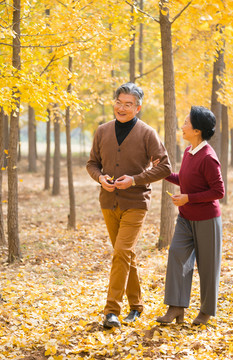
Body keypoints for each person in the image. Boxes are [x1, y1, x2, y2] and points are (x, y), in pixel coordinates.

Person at [86, 82, 171, 329]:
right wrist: (99, 177)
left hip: (136, 202)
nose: (121, 108)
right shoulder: (102, 131)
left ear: (138, 108)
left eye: (128, 104)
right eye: (118, 103)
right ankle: (136, 305)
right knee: (125, 255)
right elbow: (92, 163)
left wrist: (135, 179)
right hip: (108, 202)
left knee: (121, 252)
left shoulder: (147, 133)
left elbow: (164, 167)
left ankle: (111, 311)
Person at [156, 106, 225, 326]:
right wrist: (164, 173)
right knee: (177, 255)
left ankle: (206, 311)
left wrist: (188, 198)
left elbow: (218, 192)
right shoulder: (189, 151)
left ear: (197, 130)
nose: (183, 126)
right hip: (185, 218)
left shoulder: (208, 157)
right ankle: (176, 307)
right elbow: (185, 179)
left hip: (207, 219)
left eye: (186, 122)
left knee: (207, 266)